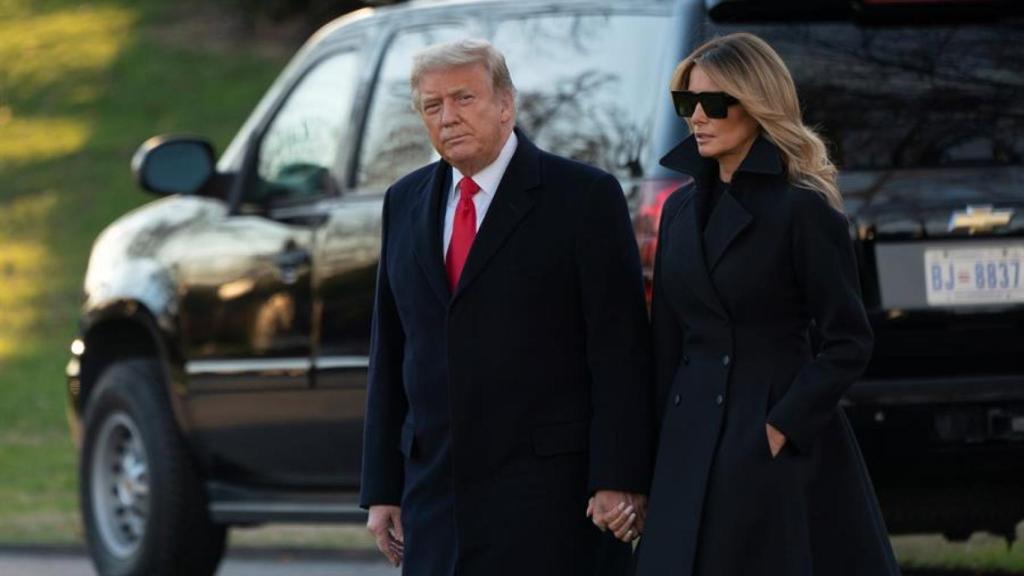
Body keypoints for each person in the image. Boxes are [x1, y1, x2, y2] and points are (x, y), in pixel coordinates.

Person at [359, 38, 653, 576]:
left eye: (464, 98)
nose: (448, 117)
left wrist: (618, 476)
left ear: (505, 104)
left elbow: (620, 350)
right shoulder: (403, 201)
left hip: (551, 501)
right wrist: (382, 487)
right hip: (436, 498)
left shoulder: (583, 197)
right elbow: (391, 349)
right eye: (432, 105)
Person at [631, 32, 902, 576]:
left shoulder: (803, 211)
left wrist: (780, 427)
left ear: (755, 105)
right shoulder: (679, 211)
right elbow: (665, 342)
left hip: (770, 441)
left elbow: (848, 341)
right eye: (687, 103)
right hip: (688, 443)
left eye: (713, 102)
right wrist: (649, 456)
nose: (697, 117)